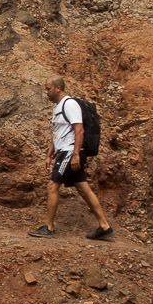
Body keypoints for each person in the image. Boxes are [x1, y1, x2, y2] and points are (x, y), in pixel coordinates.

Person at [31, 76, 112, 240]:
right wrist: (49, 155)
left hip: (70, 152)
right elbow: (57, 133)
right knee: (83, 188)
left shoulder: (69, 104)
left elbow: (79, 130)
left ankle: (48, 228)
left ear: (58, 88)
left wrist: (75, 154)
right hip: (65, 151)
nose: (46, 92)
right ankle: (105, 227)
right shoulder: (57, 107)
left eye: (48, 89)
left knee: (52, 186)